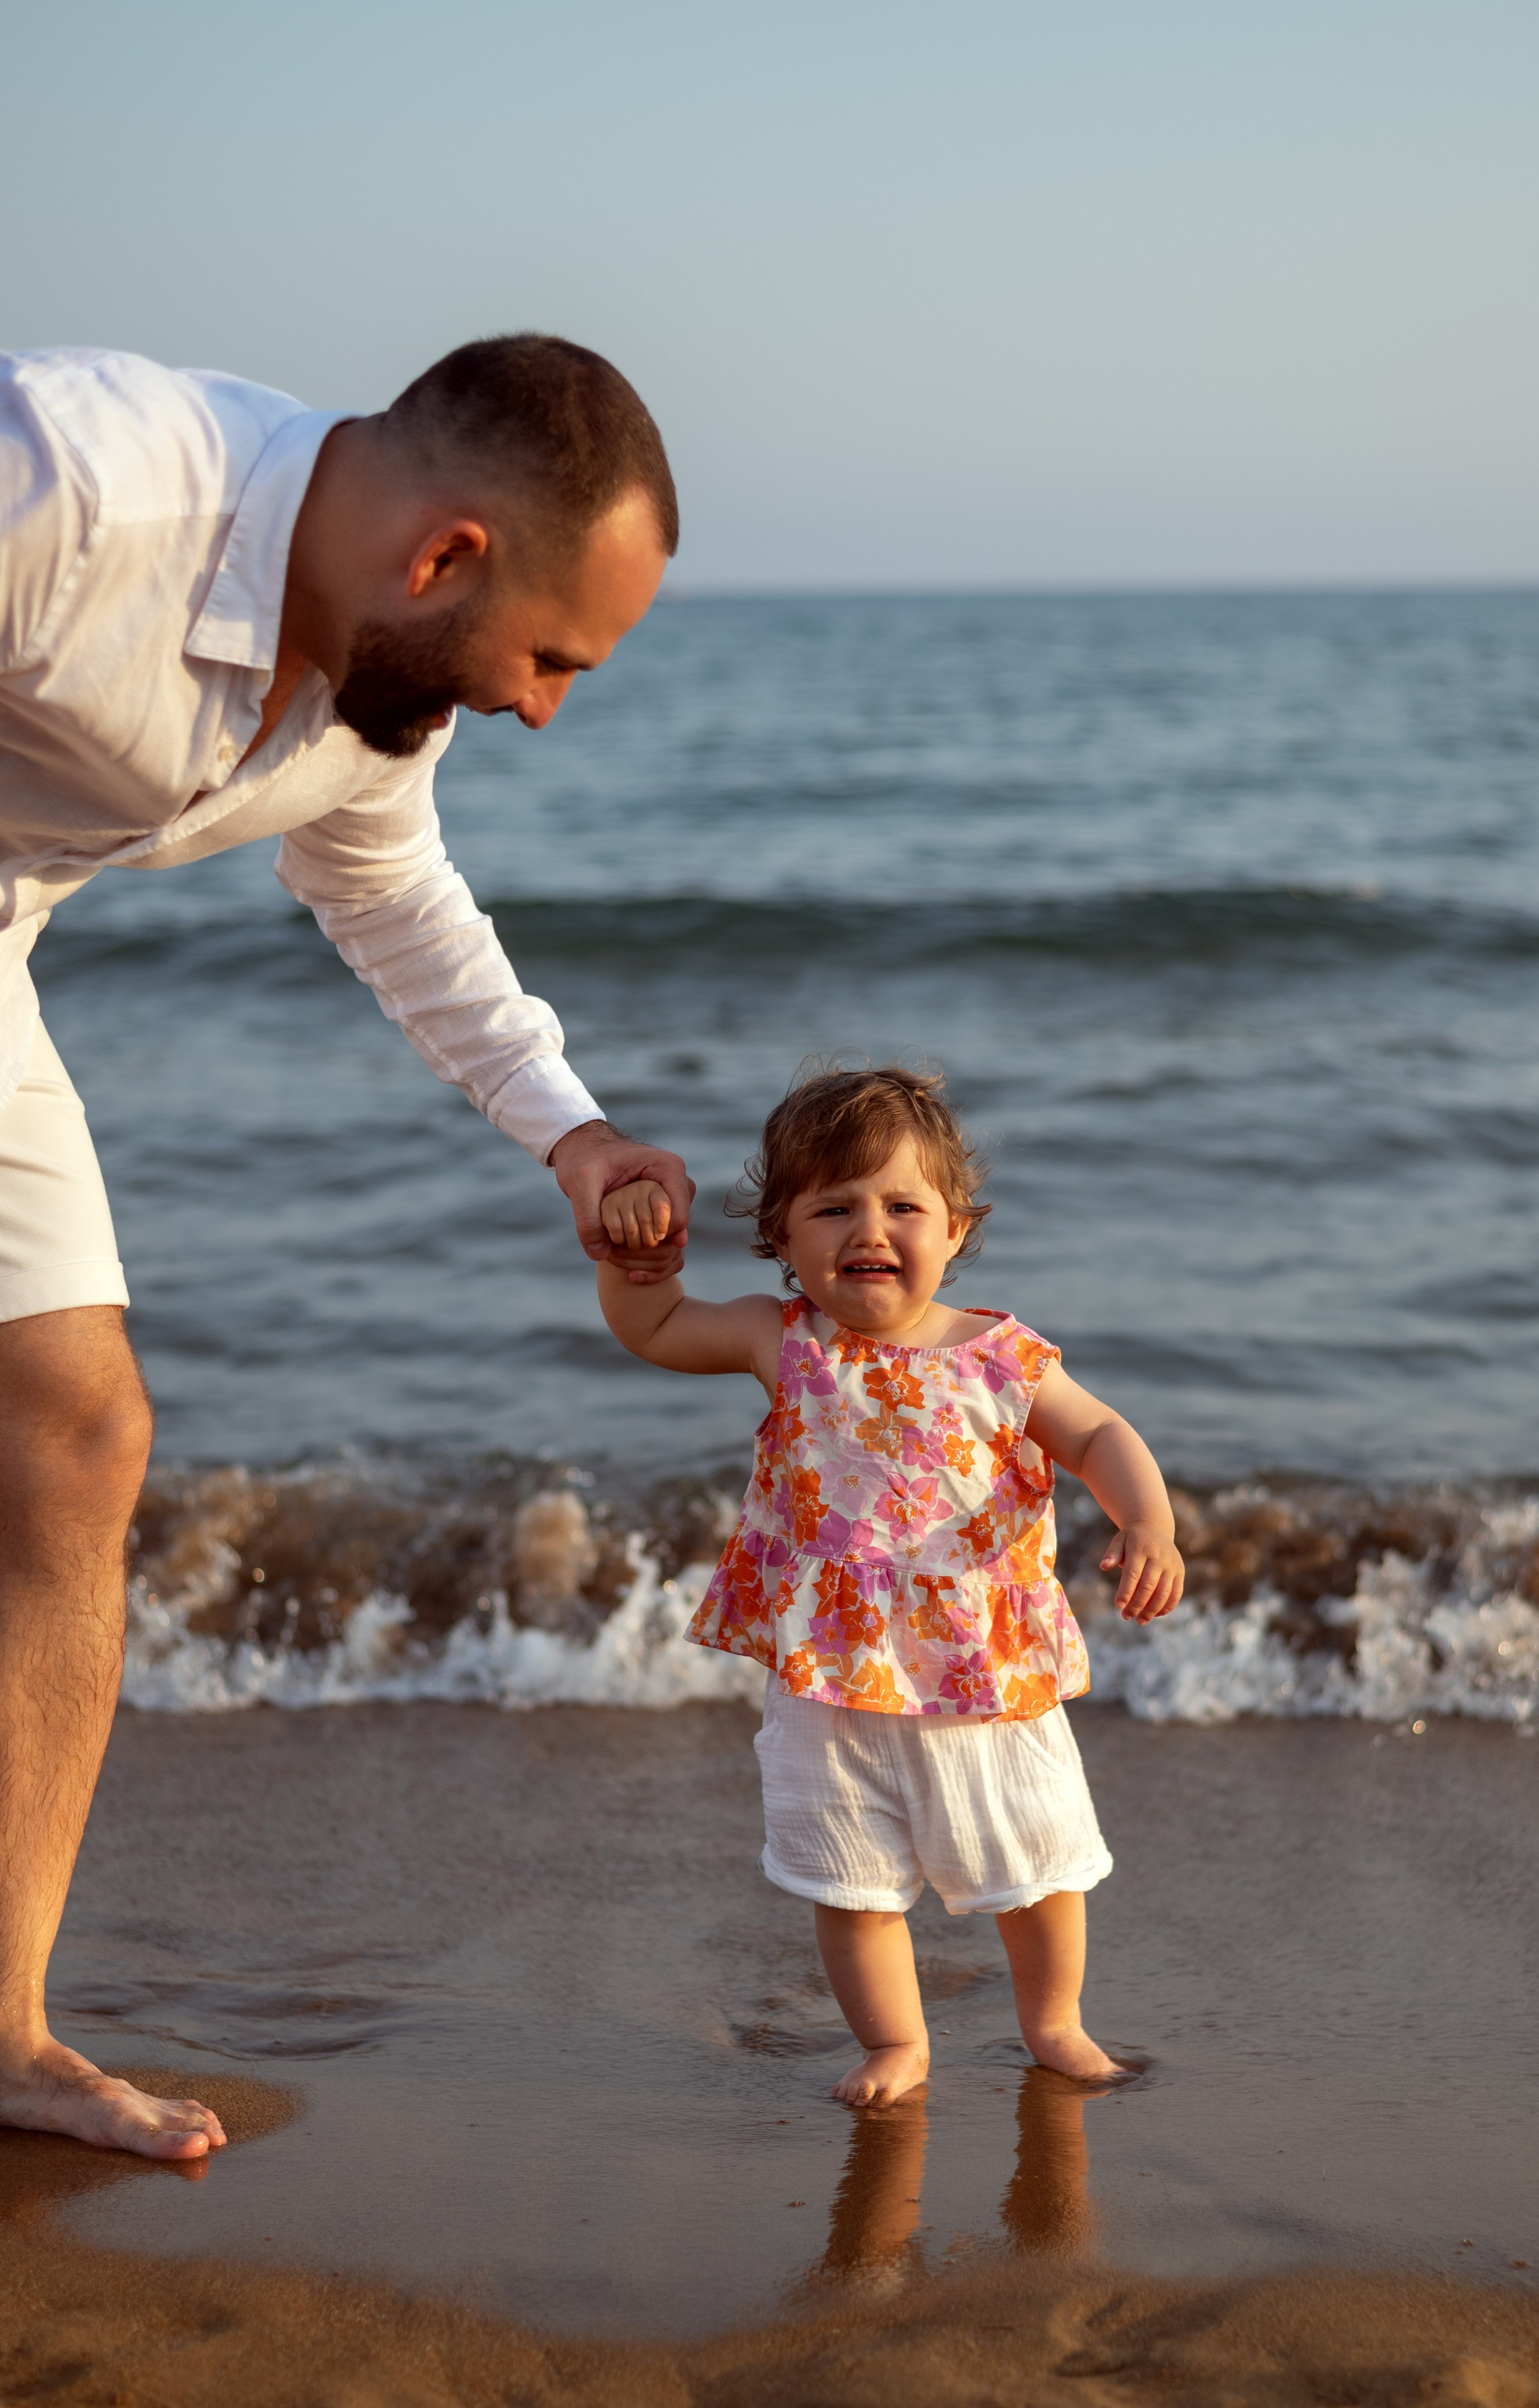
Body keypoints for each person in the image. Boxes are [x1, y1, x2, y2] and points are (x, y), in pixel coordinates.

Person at [0, 334, 694, 2159]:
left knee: (77, 1439)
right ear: (445, 556)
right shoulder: (73, 483)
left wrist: (574, 1133)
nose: (545, 710)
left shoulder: (374, 704)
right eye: (552, 657)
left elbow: (390, 897)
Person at [595, 1062, 1184, 2107]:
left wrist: (1147, 1519)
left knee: (1038, 1865)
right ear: (781, 1238)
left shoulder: (1001, 1356)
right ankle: (896, 2043)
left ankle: (1054, 2022)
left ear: (956, 1228)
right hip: (832, 1678)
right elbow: (654, 1330)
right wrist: (632, 1259)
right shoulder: (781, 1342)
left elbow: (1097, 1431)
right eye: (833, 1207)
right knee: (848, 1882)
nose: (870, 1228)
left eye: (902, 1205)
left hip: (984, 1674)